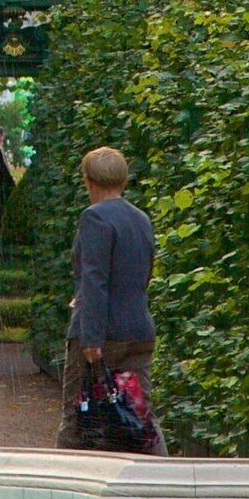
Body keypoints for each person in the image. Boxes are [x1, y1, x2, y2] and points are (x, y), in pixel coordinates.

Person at [66, 145, 160, 451]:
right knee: (139, 415)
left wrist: (90, 337)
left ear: (89, 181)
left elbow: (95, 280)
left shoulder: (94, 217)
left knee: (80, 418)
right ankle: (164, 477)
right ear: (123, 180)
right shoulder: (141, 218)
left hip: (103, 334)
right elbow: (142, 274)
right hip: (139, 330)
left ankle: (64, 488)